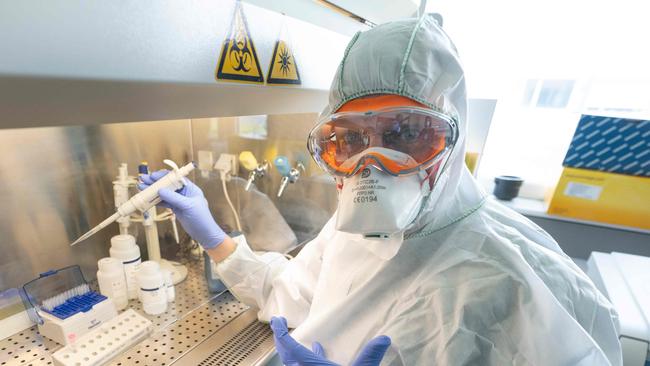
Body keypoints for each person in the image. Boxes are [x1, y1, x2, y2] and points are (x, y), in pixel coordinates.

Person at [140, 15, 622, 365]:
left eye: (406, 133)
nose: (372, 165)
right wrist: (212, 235)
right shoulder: (352, 233)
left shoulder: (519, 281)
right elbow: (287, 295)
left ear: (451, 136)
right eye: (349, 140)